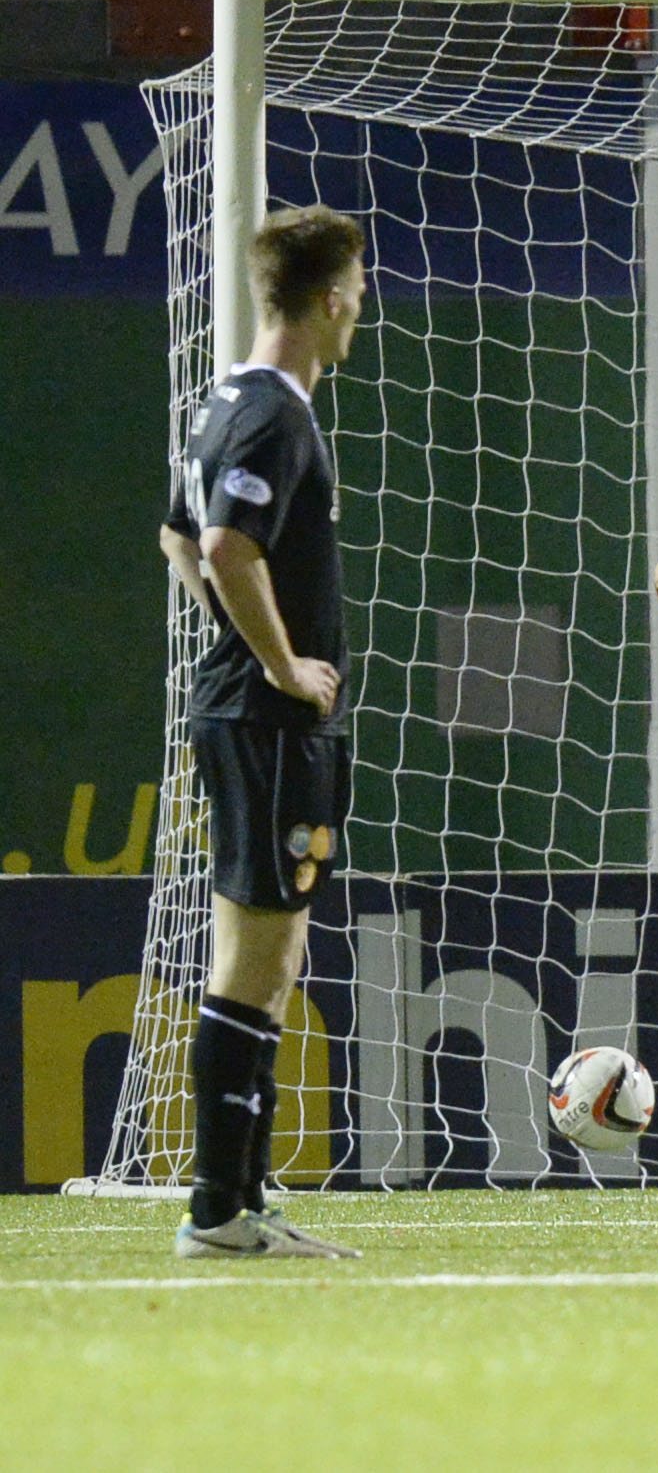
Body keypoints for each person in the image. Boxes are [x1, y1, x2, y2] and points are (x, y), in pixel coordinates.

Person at [156, 206, 370, 1260]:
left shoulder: (226, 401)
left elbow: (174, 533)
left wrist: (249, 649)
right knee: (261, 956)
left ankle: (231, 1202)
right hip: (271, 722)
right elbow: (227, 544)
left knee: (254, 953)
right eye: (359, 291)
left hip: (251, 715)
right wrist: (279, 663)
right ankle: (220, 1211)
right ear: (333, 296)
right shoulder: (276, 412)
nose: (360, 309)